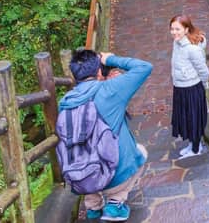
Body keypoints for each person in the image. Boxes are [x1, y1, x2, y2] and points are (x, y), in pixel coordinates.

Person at [59, 49, 152, 222]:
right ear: (100, 71)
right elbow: (144, 67)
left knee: (86, 149)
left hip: (82, 177)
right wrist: (111, 59)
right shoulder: (110, 89)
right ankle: (115, 203)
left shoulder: (66, 102)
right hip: (113, 176)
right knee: (141, 152)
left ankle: (93, 208)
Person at [170, 15, 209, 158]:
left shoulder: (193, 49)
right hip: (180, 87)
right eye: (172, 29)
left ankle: (196, 149)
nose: (174, 32)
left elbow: (204, 71)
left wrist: (203, 87)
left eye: (178, 29)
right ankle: (191, 145)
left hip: (192, 89)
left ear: (186, 29)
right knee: (185, 118)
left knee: (193, 119)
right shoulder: (177, 42)